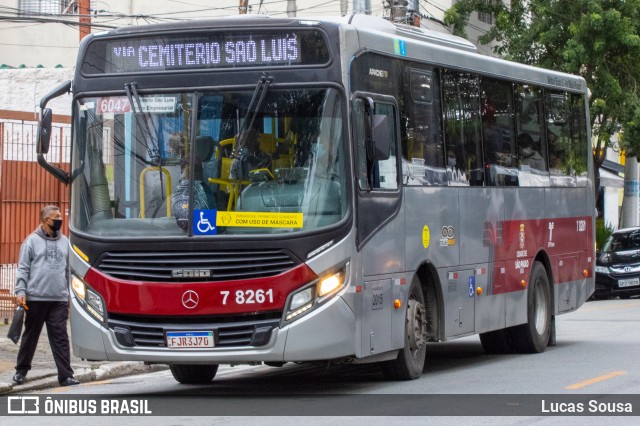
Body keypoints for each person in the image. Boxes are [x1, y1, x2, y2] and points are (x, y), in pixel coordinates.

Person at [13, 206, 79, 387]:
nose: (59, 220)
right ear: (45, 220)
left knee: (60, 338)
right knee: (30, 336)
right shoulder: (31, 242)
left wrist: (68, 295)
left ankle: (66, 376)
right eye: (55, 217)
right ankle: (21, 370)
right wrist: (20, 291)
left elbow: (68, 271)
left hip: (58, 299)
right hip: (35, 298)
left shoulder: (65, 242)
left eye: (60, 216)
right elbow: (23, 268)